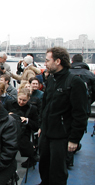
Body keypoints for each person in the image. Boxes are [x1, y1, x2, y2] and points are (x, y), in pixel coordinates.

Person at [38, 47, 88, 185]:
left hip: (61, 136)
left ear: (58, 61)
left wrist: (74, 139)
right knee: (44, 165)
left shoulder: (74, 82)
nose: (45, 63)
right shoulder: (51, 79)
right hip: (47, 133)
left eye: (47, 60)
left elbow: (80, 113)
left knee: (57, 171)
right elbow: (45, 105)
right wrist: (42, 125)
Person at [4, 88, 39, 168]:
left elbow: (36, 126)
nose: (21, 102)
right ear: (17, 96)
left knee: (21, 142)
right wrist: (8, 115)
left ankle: (31, 156)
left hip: (23, 132)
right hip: (9, 130)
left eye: (24, 100)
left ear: (28, 99)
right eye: (20, 99)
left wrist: (27, 120)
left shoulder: (32, 109)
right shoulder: (9, 104)